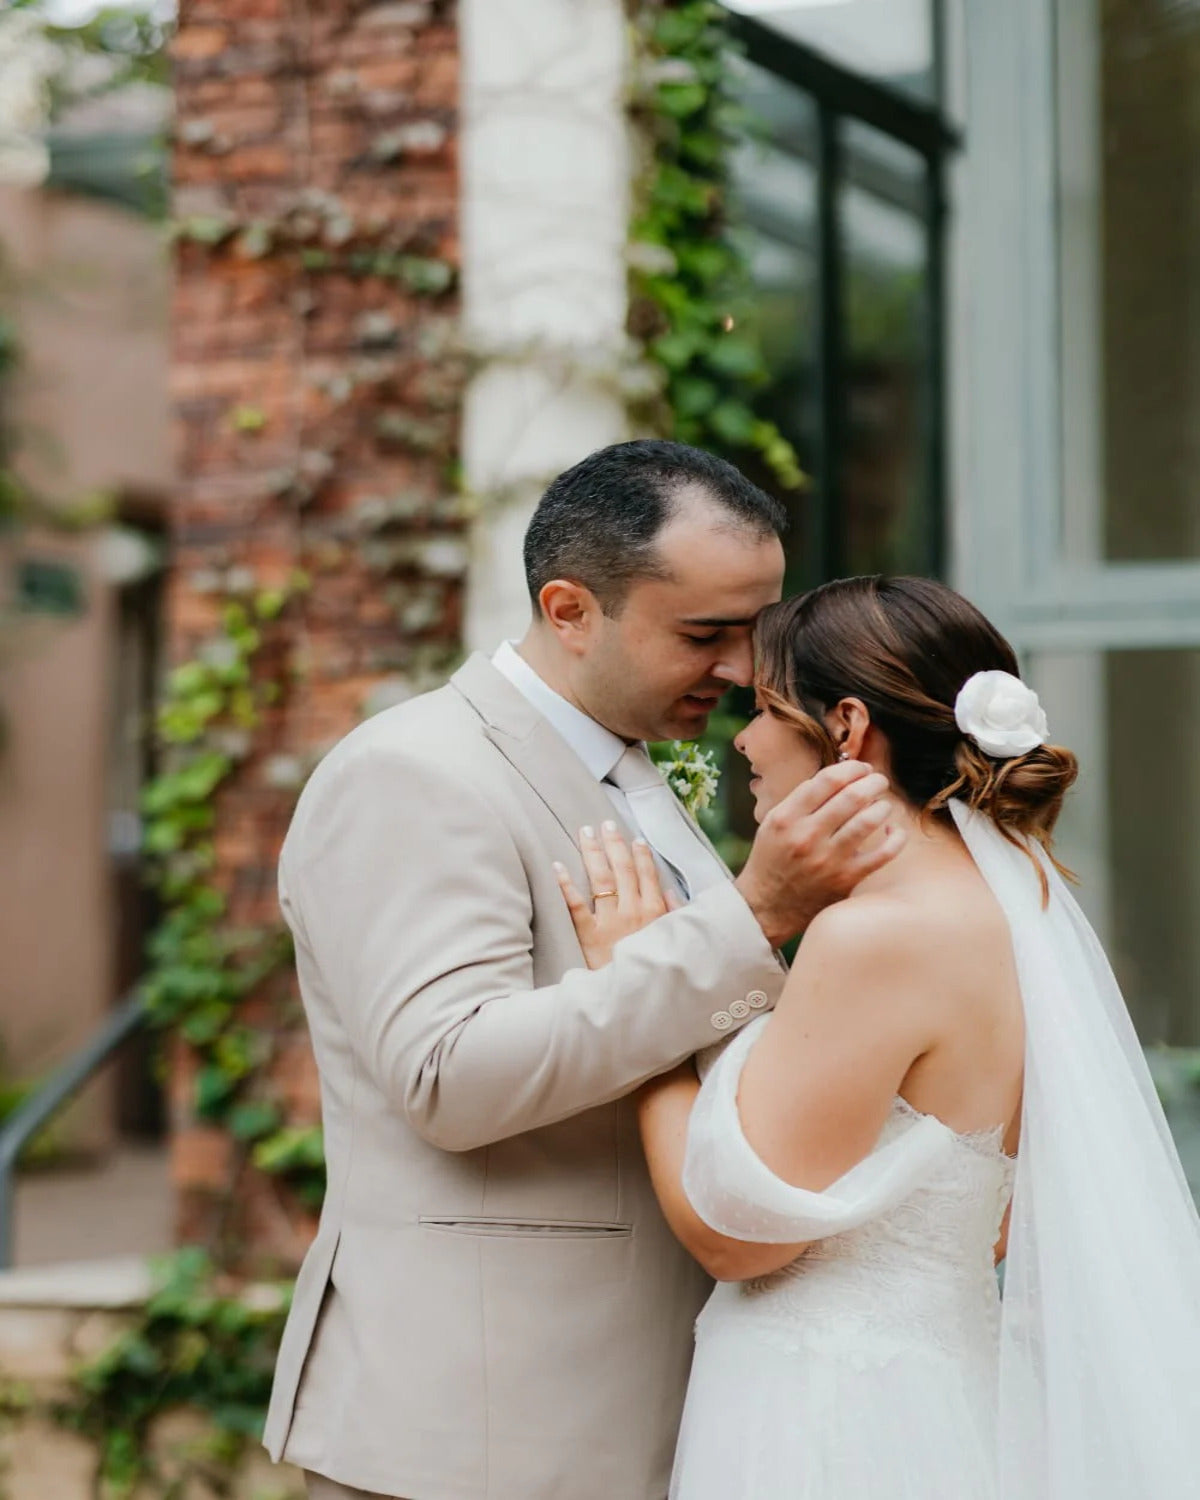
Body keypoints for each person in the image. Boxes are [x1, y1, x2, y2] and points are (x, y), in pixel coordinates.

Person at [262, 441, 902, 1500]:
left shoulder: (636, 764)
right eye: (706, 634)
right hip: (486, 1435)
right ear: (568, 610)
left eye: (755, 629)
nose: (745, 672)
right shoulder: (414, 774)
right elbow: (448, 1076)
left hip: (658, 1409)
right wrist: (754, 913)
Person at [561, 574, 1200, 1500]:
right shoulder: (1015, 898)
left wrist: (637, 994)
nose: (741, 738)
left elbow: (738, 1240)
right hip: (941, 1386)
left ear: (849, 727)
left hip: (829, 1415)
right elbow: (990, 1217)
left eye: (767, 708)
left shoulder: (878, 934)